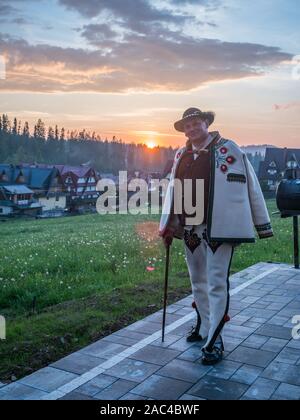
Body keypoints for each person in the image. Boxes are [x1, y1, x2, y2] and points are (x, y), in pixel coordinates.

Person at [159, 107, 274, 365]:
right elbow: (172, 190)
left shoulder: (228, 149)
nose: (192, 129)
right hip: (189, 228)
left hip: (219, 228)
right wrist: (168, 223)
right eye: (187, 126)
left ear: (206, 123)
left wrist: (262, 223)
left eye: (196, 123)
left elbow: (251, 185)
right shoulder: (181, 154)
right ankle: (203, 326)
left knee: (216, 282)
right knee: (197, 280)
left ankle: (215, 339)